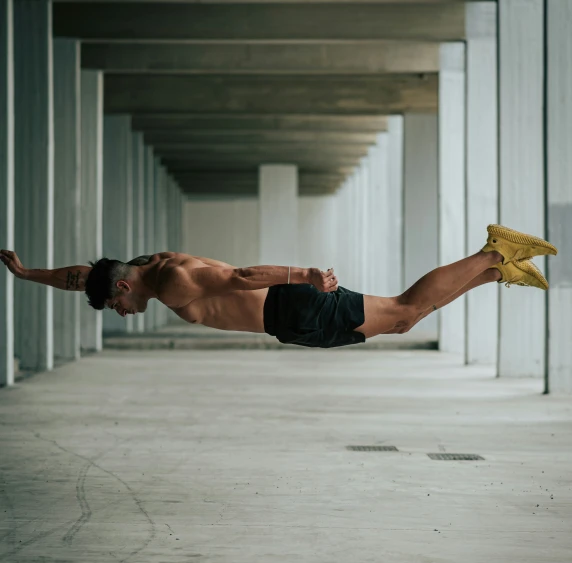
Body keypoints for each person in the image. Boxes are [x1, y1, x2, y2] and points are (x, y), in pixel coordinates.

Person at [0, 225, 557, 349]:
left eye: (114, 302)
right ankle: (494, 271)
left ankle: (494, 253)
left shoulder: (170, 282)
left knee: (406, 311)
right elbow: (87, 277)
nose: (118, 310)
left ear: (126, 284)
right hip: (289, 317)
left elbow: (240, 277)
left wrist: (305, 274)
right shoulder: (145, 267)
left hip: (292, 307)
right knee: (405, 316)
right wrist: (30, 275)